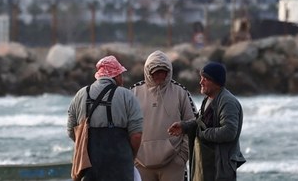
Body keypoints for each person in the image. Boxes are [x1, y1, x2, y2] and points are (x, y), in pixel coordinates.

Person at [67, 55, 144, 181]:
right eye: (121, 75)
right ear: (117, 76)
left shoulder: (81, 95)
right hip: (121, 167)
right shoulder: (127, 96)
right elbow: (136, 135)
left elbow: (71, 131)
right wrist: (130, 156)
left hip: (89, 168)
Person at [167, 62, 245, 181]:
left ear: (216, 82)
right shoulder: (208, 99)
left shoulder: (227, 102)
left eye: (205, 79)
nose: (200, 82)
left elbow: (229, 132)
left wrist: (203, 134)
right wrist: (184, 126)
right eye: (201, 78)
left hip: (220, 169)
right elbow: (200, 121)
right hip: (205, 168)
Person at [131, 51, 195, 181]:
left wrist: (182, 157)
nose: (160, 75)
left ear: (169, 71)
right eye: (156, 71)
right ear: (148, 72)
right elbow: (123, 125)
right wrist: (131, 156)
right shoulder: (133, 92)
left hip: (173, 164)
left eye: (163, 71)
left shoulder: (180, 92)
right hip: (141, 164)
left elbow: (193, 124)